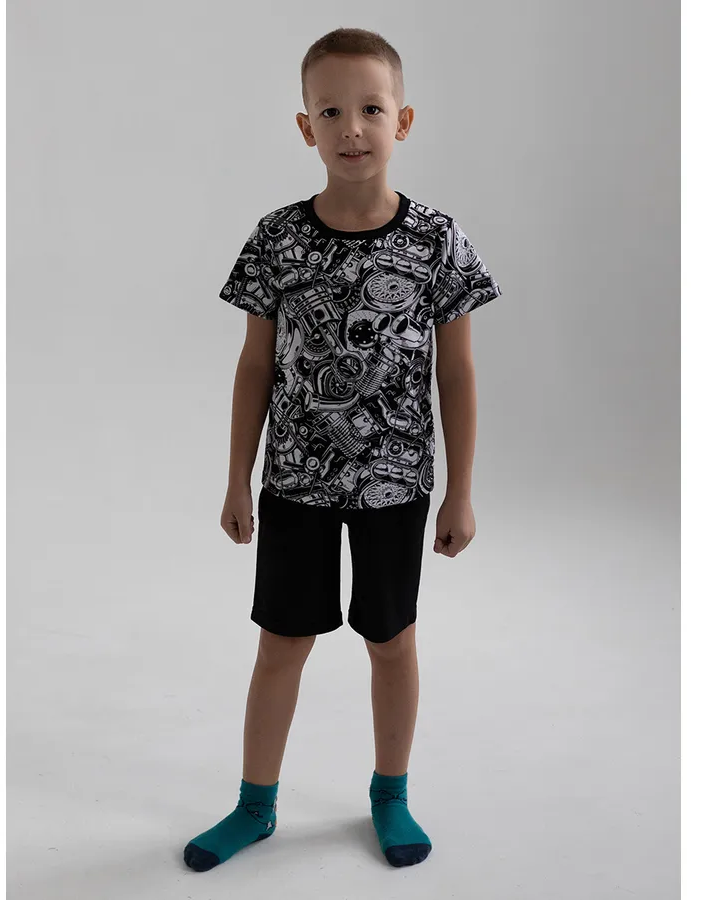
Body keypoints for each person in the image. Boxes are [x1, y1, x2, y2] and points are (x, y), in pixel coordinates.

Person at [183, 26, 503, 873]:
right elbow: (255, 365)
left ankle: (390, 795)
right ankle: (254, 806)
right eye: (330, 112)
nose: (351, 128)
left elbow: (458, 373)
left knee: (390, 640)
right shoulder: (277, 240)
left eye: (370, 109)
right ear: (305, 128)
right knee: (281, 644)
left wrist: (461, 491)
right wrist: (237, 480)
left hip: (397, 486)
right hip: (296, 484)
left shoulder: (437, 242)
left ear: (403, 121)